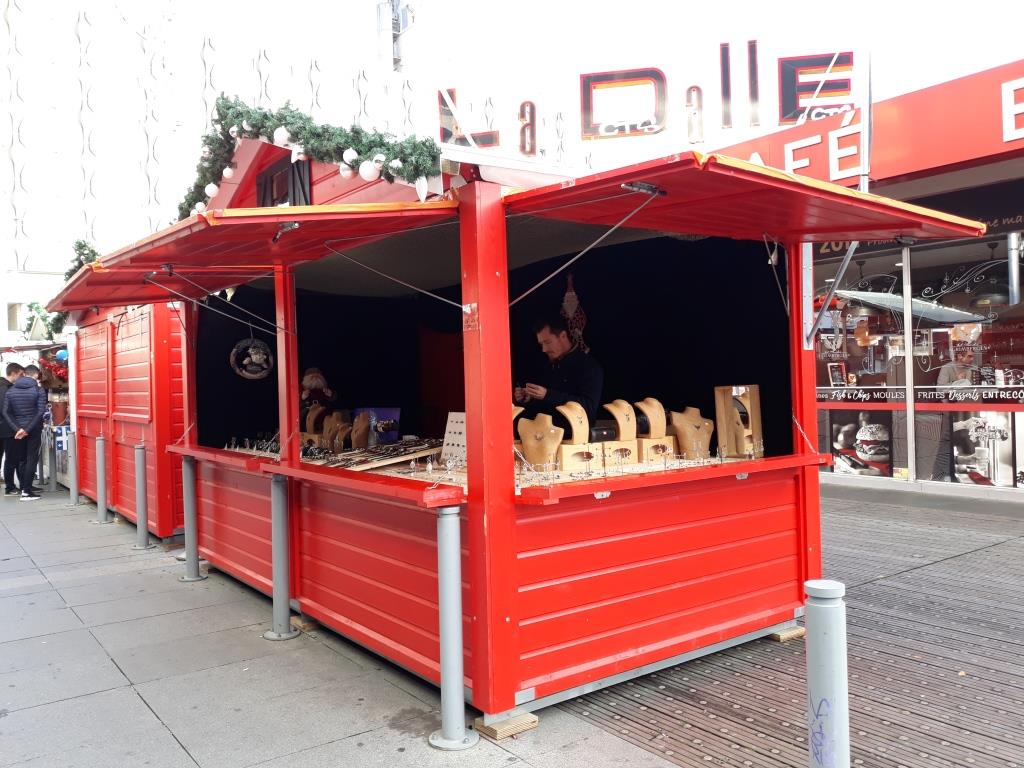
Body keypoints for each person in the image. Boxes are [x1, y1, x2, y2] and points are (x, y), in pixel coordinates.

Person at [514, 316, 604, 424]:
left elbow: (588, 408)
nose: (544, 349)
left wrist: (547, 395)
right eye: (541, 344)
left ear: (563, 336)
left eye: (547, 342)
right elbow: (546, 406)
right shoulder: (544, 364)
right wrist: (528, 398)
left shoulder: (589, 366)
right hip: (543, 433)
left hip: (575, 436)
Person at [2, 363, 47, 501]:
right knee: (31, 459)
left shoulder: (11, 391)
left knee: (22, 459)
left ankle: (23, 487)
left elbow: (6, 412)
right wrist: (27, 429)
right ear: (36, 375)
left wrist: (18, 429)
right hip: (33, 429)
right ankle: (26, 491)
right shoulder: (38, 390)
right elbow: (40, 412)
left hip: (18, 430)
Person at [0, 363, 24, 496]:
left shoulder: (5, 387)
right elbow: (5, 410)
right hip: (7, 428)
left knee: (9, 457)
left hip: (4, 427)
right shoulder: (5, 388)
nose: (21, 377)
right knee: (11, 457)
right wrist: (16, 427)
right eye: (20, 374)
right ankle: (10, 487)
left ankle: (10, 485)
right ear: (13, 373)